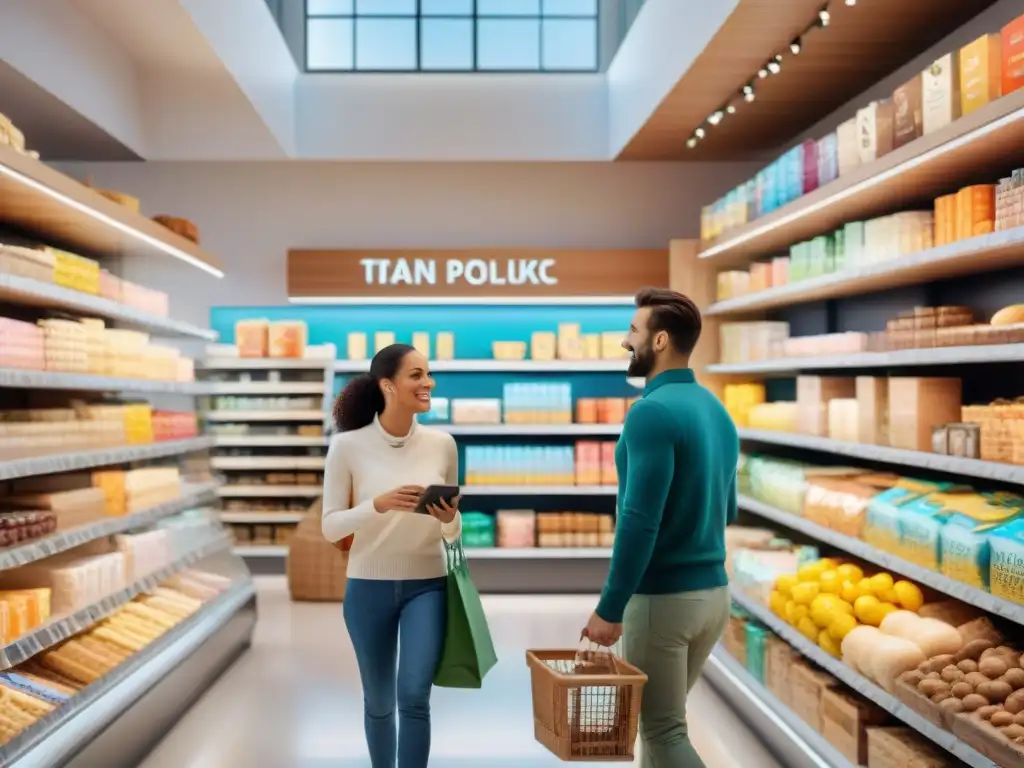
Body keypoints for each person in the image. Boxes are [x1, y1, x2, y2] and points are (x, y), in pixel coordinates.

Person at [582, 287, 739, 768]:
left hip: (662, 602)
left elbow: (639, 522)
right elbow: (728, 509)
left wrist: (610, 608)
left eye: (633, 331)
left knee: (663, 731)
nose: (625, 341)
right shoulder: (716, 410)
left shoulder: (650, 413)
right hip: (712, 596)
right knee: (659, 728)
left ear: (662, 340)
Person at [322, 343, 461, 768]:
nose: (428, 383)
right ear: (388, 385)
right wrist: (377, 505)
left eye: (429, 373)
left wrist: (450, 520)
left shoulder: (443, 445)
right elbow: (330, 527)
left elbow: (452, 533)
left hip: (428, 584)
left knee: (414, 697)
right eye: (416, 375)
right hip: (367, 587)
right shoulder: (346, 447)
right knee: (380, 701)